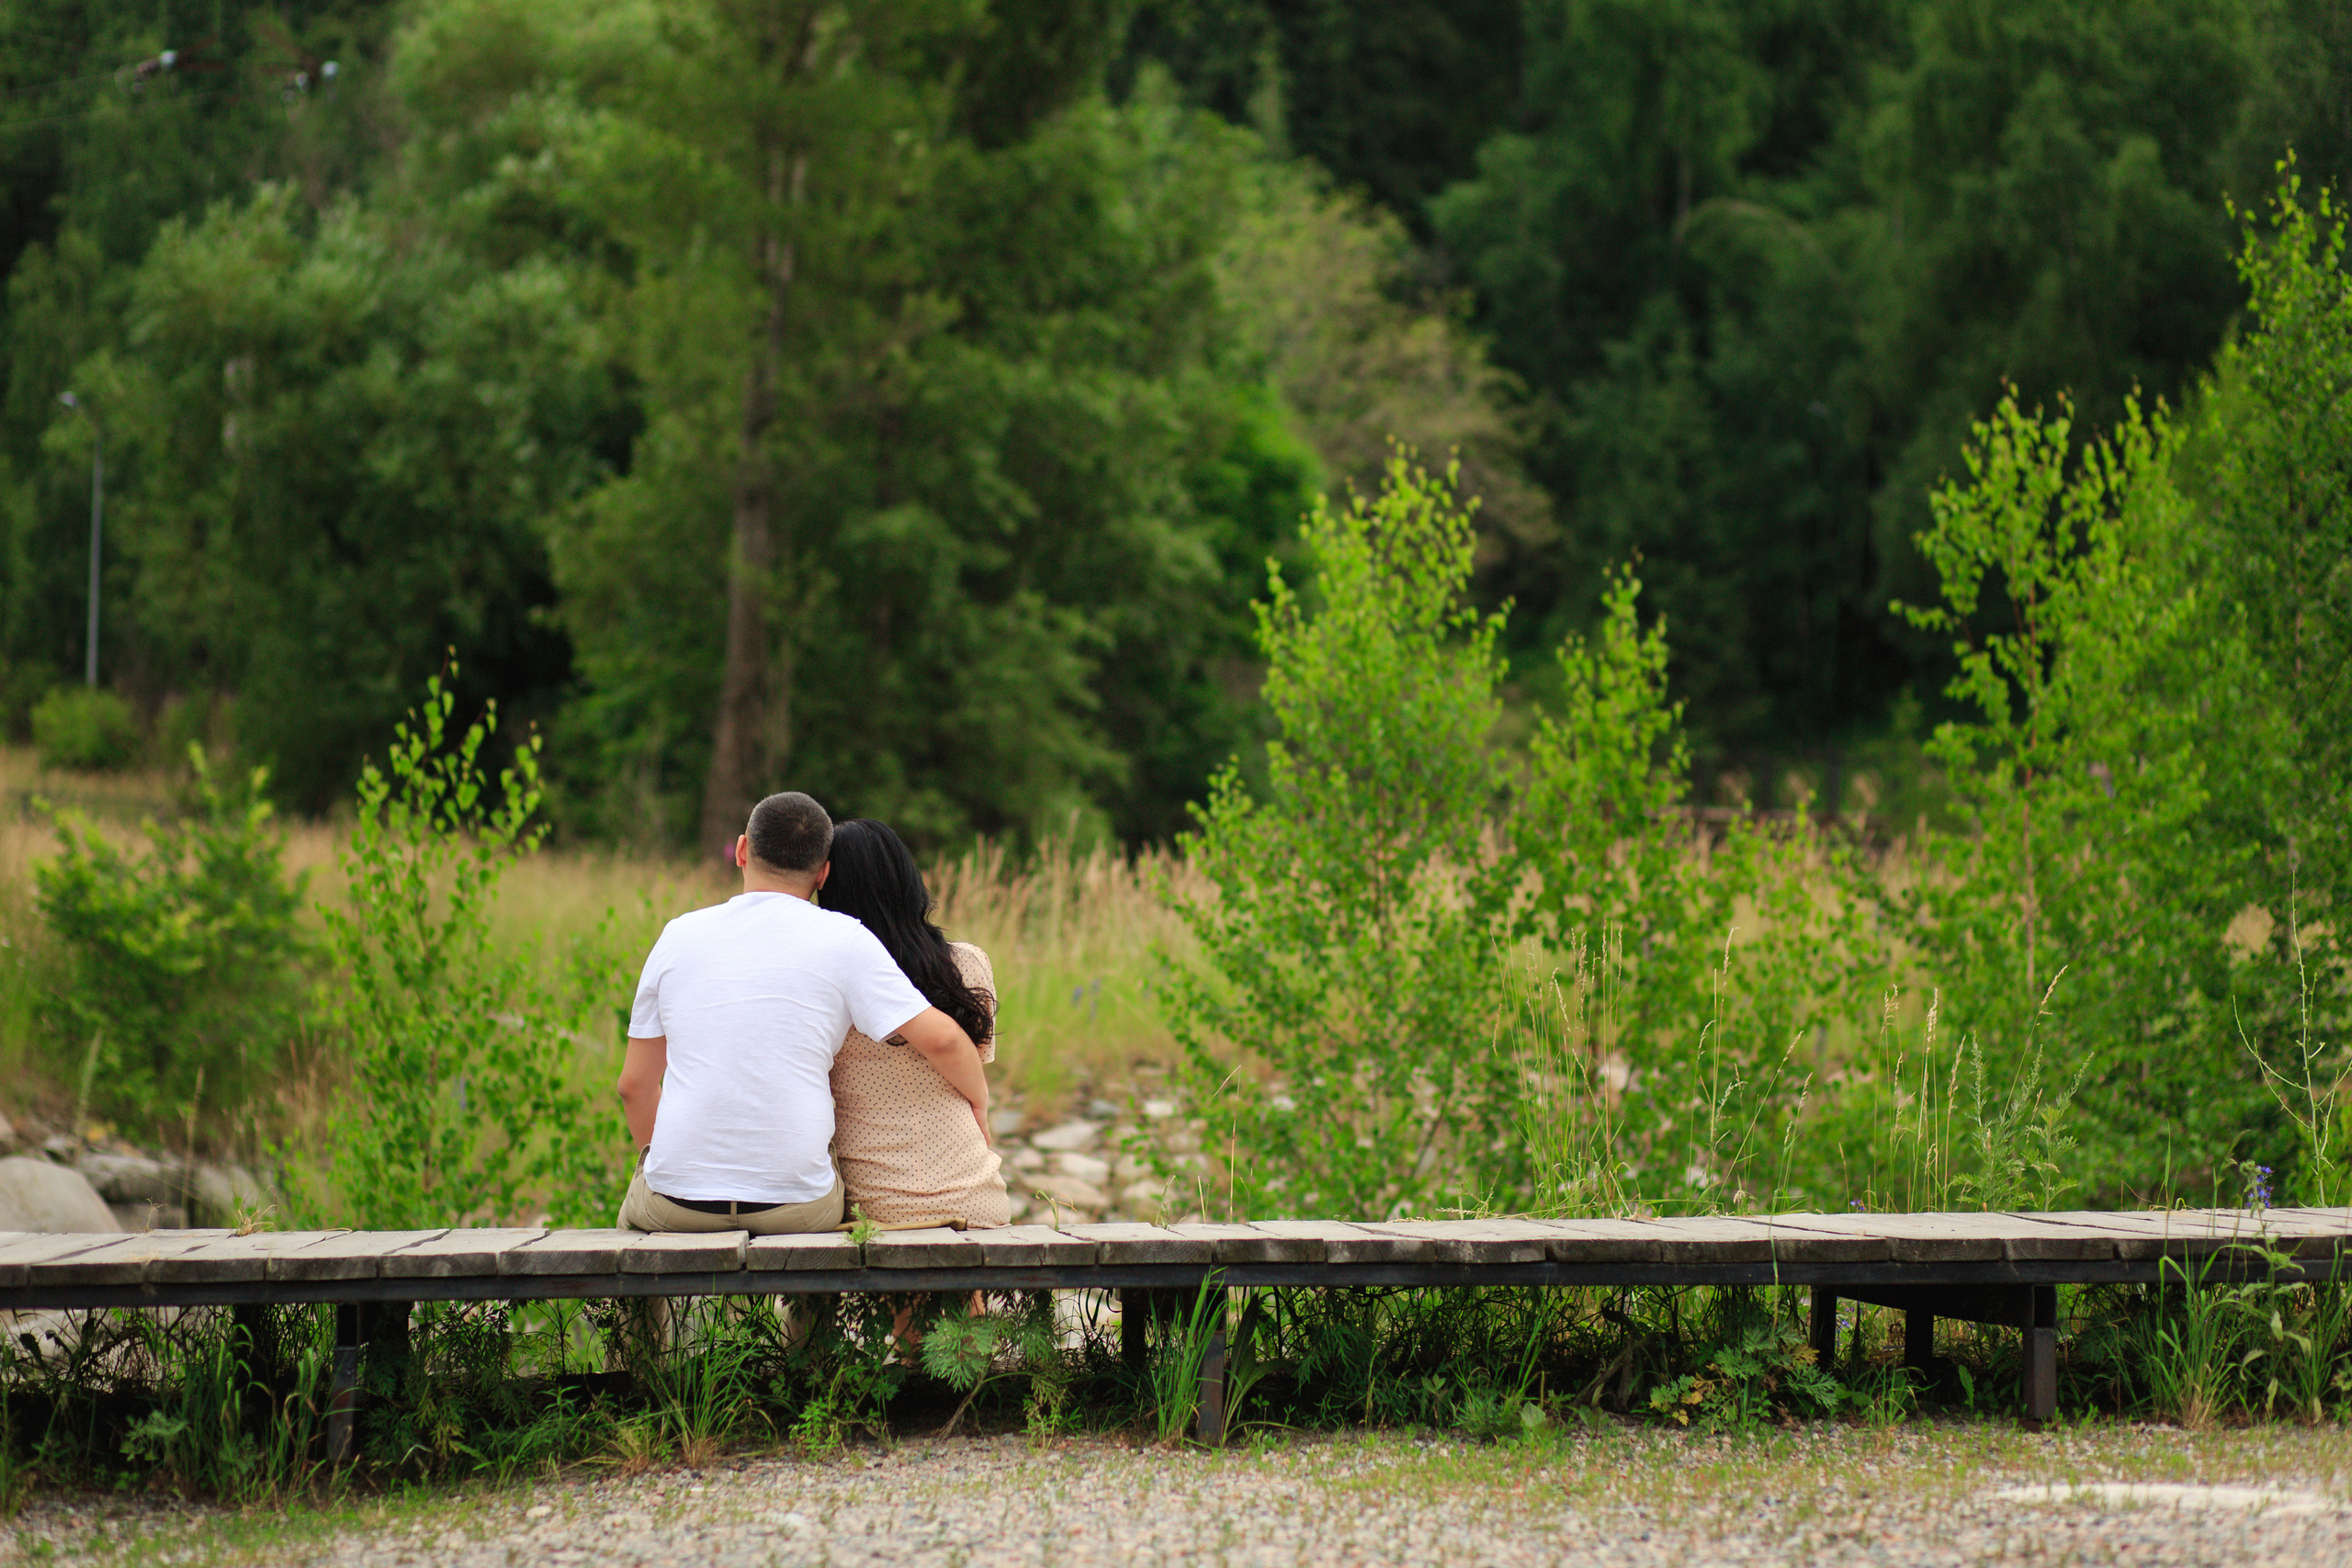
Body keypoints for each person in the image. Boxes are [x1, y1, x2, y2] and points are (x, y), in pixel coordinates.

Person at [614, 792, 991, 1235]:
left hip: (676, 1206)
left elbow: (633, 1086)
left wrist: (674, 1179)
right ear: (822, 874)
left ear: (740, 850)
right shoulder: (846, 938)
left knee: (632, 1228)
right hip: (798, 1207)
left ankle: (644, 1306)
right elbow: (944, 1040)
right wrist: (980, 1105)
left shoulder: (677, 936)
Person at [822, 818, 1011, 1229]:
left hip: (875, 1206)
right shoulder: (967, 964)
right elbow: (972, 1060)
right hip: (975, 1195)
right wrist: (981, 1102)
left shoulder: (827, 976)